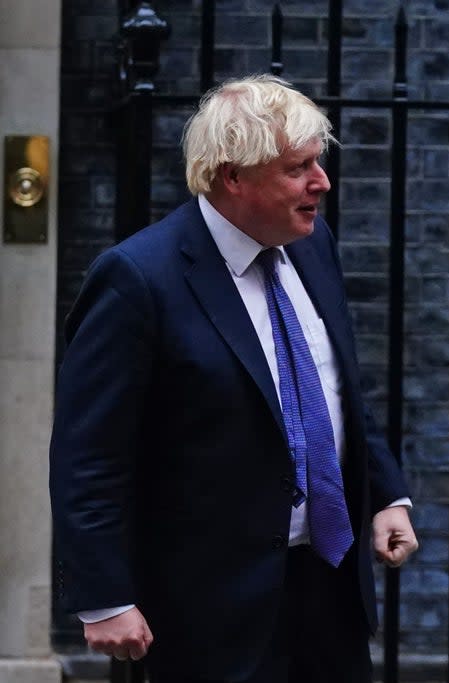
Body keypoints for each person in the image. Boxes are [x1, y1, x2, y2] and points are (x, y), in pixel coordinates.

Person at [49, 74, 418, 683]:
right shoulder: (137, 279)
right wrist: (105, 596)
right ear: (233, 177)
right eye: (298, 168)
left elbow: (337, 389)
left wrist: (385, 495)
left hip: (329, 585)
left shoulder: (311, 242)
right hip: (208, 608)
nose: (321, 182)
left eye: (317, 163)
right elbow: (89, 452)